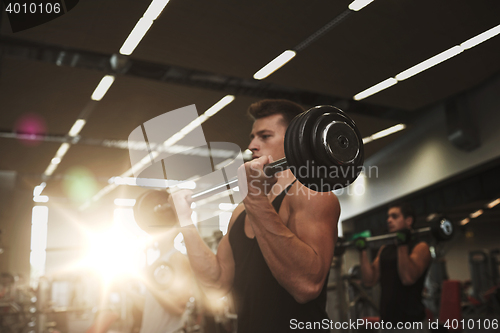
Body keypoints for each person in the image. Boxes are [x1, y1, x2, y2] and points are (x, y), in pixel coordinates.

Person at [172, 99, 340, 332]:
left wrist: (254, 197)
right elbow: (216, 283)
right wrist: (185, 221)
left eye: (265, 136)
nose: (252, 144)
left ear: (295, 141)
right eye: (252, 136)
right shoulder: (242, 210)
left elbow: (306, 286)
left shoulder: (313, 194)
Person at [357, 203, 432, 332]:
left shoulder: (421, 247)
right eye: (388, 217)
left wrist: (402, 244)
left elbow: (407, 278)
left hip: (412, 324)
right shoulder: (385, 249)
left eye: (394, 216)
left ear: (409, 221)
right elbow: (369, 281)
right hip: (387, 324)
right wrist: (362, 251)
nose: (389, 220)